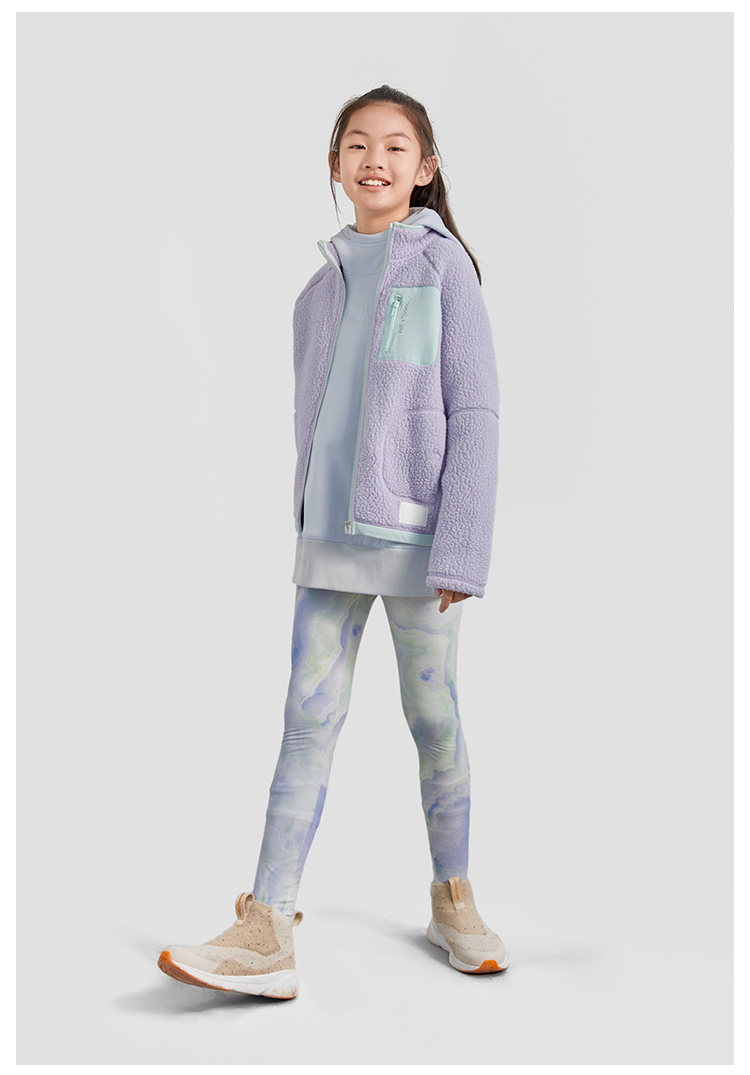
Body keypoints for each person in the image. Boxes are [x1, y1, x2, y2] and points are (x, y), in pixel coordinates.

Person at [158, 84, 508, 1000]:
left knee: (434, 718)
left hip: (421, 541)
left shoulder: (444, 268)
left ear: (425, 169)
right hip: (329, 541)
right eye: (358, 144)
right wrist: (307, 515)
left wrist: (463, 548)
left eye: (395, 146)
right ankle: (268, 924)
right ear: (334, 165)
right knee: (305, 719)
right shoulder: (316, 293)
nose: (375, 159)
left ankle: (454, 897)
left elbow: (475, 411)